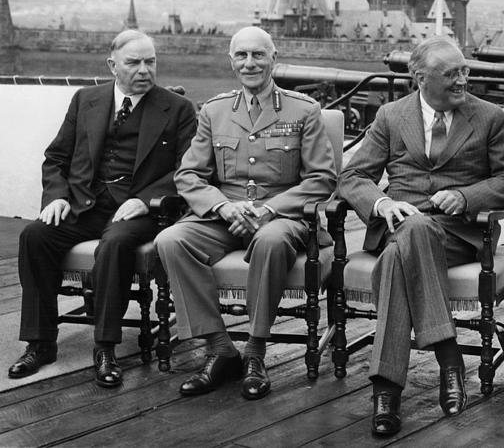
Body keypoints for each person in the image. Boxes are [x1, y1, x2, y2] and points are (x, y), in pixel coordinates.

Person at [338, 35, 504, 438]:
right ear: (420, 78)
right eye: (451, 73)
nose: (463, 79)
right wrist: (382, 204)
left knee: (401, 254)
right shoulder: (390, 116)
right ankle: (448, 356)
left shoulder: (490, 118)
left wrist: (466, 196)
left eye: (464, 70)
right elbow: (352, 176)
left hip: (457, 234)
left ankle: (386, 392)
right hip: (400, 224)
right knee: (412, 232)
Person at [155, 26, 336, 400]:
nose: (249, 63)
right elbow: (188, 174)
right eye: (241, 56)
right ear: (231, 62)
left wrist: (268, 209)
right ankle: (221, 349)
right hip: (226, 216)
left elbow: (322, 178)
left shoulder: (304, 110)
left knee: (270, 241)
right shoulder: (215, 110)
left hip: (282, 217)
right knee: (171, 240)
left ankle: (254, 351)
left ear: (274, 58)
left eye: (258, 55)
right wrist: (222, 205)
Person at [8, 30, 197, 387]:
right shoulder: (86, 100)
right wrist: (58, 198)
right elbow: (56, 158)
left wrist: (144, 200)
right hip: (83, 205)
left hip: (139, 210)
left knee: (115, 244)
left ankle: (105, 346)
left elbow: (189, 169)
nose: (144, 70)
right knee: (35, 235)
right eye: (134, 63)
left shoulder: (178, 108)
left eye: (150, 61)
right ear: (112, 65)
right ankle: (40, 343)